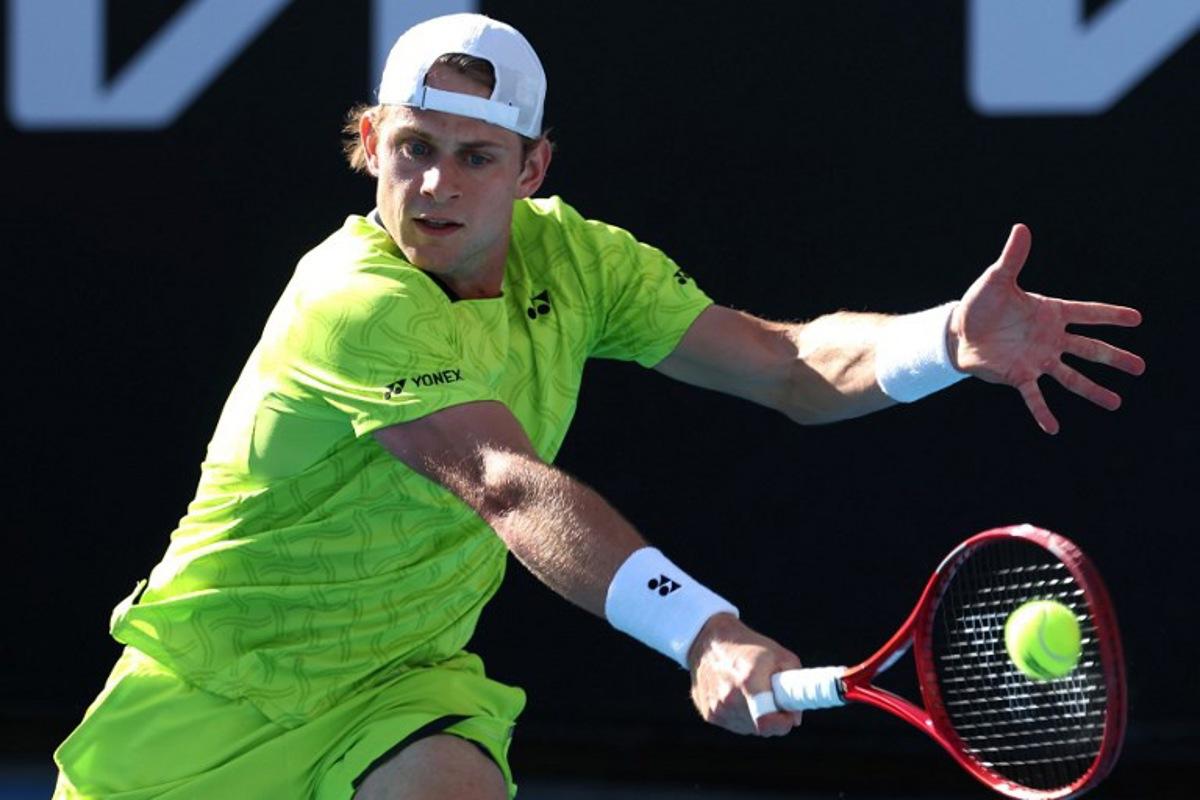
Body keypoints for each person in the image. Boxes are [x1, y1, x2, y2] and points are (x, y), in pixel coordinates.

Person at [52, 13, 1144, 800]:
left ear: (531, 168)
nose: (435, 187)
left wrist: (941, 341)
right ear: (371, 144)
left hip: (397, 686)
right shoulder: (350, 300)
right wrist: (705, 629)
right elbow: (504, 482)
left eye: (475, 157)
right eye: (412, 150)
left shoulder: (576, 260)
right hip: (202, 689)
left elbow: (782, 362)